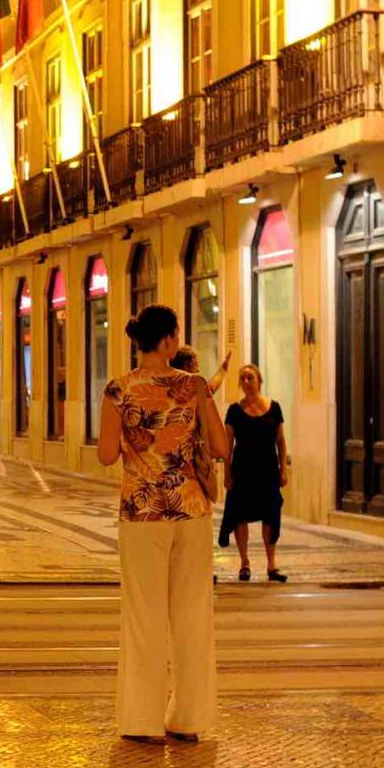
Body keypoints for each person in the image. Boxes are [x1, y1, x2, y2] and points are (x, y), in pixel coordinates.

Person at [97, 304, 229, 743]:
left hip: (140, 512)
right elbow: (220, 445)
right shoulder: (194, 386)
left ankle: (141, 721)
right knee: (192, 614)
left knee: (143, 615)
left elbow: (106, 454)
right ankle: (187, 718)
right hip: (190, 510)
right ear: (171, 339)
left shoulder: (118, 389)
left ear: (140, 341)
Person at [220, 364, 289, 582]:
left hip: (267, 470)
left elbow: (281, 441)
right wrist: (227, 473)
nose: (247, 382)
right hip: (242, 470)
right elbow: (226, 446)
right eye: (243, 379)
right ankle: (244, 563)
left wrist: (283, 468)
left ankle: (271, 564)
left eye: (250, 377)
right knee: (240, 515)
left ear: (259, 380)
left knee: (270, 515)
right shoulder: (234, 411)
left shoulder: (274, 408)